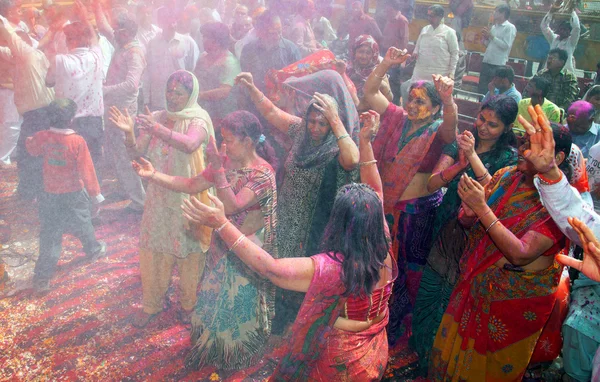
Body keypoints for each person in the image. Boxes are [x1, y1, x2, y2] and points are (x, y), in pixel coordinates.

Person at [180, 109, 395, 380]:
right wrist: (365, 141)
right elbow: (376, 189)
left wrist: (222, 223)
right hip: (376, 347)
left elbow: (271, 269)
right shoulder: (382, 243)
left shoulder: (332, 268)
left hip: (341, 360)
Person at [131, 110, 277, 369]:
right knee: (217, 297)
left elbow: (232, 206)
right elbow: (189, 184)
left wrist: (218, 169)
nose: (223, 146)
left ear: (248, 142)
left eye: (229, 140)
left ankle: (237, 356)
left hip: (248, 247)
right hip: (222, 242)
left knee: (238, 301)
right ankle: (216, 347)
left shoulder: (262, 173)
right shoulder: (225, 161)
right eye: (222, 139)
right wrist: (154, 175)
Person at [429, 118, 572, 380]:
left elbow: (519, 253)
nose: (522, 151)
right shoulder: (508, 176)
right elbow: (473, 218)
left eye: (532, 148)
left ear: (558, 157)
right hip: (474, 286)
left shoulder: (559, 206)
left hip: (512, 304)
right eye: (523, 143)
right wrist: (470, 213)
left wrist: (482, 209)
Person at [235, 69, 360, 333]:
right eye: (312, 121)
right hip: (285, 216)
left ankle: (292, 325)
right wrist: (252, 87)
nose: (315, 128)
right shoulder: (301, 131)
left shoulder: (336, 147)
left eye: (322, 123)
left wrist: (336, 122)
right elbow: (271, 113)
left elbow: (353, 160)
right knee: (276, 264)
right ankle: (274, 318)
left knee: (297, 275)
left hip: (311, 226)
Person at [412, 95, 518, 370]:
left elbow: (494, 192)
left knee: (451, 299)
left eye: (493, 125)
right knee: (429, 291)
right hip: (446, 228)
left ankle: (438, 360)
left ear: (506, 129)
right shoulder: (460, 142)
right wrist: (460, 163)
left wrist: (472, 156)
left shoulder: (508, 159)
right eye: (481, 118)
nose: (483, 127)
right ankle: (420, 351)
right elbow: (432, 184)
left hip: (477, 238)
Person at [364, 47, 458, 343]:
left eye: (422, 102)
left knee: (406, 268)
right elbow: (369, 93)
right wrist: (386, 65)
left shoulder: (436, 132)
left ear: (433, 109)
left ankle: (398, 324)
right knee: (379, 265)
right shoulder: (396, 119)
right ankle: (376, 316)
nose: (413, 105)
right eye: (411, 99)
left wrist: (449, 99)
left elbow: (452, 127)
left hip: (415, 216)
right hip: (384, 210)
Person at [108, 70, 214, 328]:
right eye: (169, 91)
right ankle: (152, 303)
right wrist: (129, 133)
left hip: (188, 195)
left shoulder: (197, 119)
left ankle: (188, 304)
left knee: (188, 251)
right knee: (154, 248)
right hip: (158, 194)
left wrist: (157, 129)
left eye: (179, 93)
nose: (172, 97)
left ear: (191, 95)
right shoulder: (156, 117)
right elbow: (136, 153)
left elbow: (189, 144)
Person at [26, 98, 106, 295]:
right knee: (83, 222)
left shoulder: (43, 136)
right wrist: (96, 196)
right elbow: (87, 171)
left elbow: (32, 148)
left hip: (48, 193)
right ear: (71, 120)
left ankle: (42, 278)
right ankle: (93, 249)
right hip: (74, 194)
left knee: (50, 234)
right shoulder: (77, 141)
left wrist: (30, 140)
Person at [45, 2, 105, 179]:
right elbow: (93, 38)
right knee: (92, 165)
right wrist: (86, 18)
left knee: (70, 169)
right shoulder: (96, 56)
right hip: (94, 122)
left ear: (71, 40)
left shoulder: (60, 60)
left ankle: (74, 202)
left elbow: (48, 82)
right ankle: (94, 201)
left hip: (68, 124)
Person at [0, 17, 54, 199]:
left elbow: (9, 35)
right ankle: (31, 190)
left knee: (31, 154)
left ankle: (33, 192)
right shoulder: (22, 57)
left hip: (39, 114)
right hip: (38, 114)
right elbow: (4, 50)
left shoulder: (28, 55)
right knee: (28, 153)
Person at [101, 12, 147, 212]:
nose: (113, 33)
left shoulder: (134, 52)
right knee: (116, 154)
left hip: (124, 111)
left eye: (116, 30)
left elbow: (131, 84)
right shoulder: (122, 46)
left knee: (125, 156)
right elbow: (103, 27)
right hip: (113, 107)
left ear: (126, 32)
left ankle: (139, 201)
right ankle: (124, 190)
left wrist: (105, 90)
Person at [400, 5, 458, 105]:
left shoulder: (449, 32)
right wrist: (414, 54)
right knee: (413, 94)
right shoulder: (425, 30)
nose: (430, 18)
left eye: (432, 16)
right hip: (421, 71)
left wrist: (451, 74)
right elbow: (417, 47)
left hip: (439, 73)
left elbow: (455, 53)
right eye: (428, 15)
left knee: (434, 100)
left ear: (440, 16)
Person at [144, 6, 199, 111]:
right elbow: (148, 72)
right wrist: (146, 99)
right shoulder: (152, 43)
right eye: (167, 20)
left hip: (180, 100)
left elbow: (192, 72)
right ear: (160, 22)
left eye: (173, 20)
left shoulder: (188, 43)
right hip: (158, 100)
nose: (171, 24)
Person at [239, 9, 301, 93]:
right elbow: (244, 80)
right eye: (272, 33)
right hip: (255, 99)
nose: (278, 36)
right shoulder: (248, 50)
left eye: (280, 32)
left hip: (283, 101)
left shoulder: (291, 49)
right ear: (260, 31)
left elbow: (300, 70)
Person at [194, 22, 241, 128]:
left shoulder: (229, 62)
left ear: (217, 41)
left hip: (221, 119)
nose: (203, 40)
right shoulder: (203, 58)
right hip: (201, 114)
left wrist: (199, 95)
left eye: (206, 37)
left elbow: (224, 91)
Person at [346, 35, 392, 112]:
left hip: (371, 113)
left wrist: (381, 84)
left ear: (374, 54)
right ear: (354, 52)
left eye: (368, 53)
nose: (364, 56)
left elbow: (389, 99)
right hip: (350, 111)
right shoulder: (347, 69)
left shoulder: (378, 71)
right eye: (361, 52)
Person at [478, 4, 517, 95]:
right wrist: (484, 39)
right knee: (482, 88)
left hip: (497, 64)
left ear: (503, 13)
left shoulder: (509, 27)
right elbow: (489, 44)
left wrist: (491, 36)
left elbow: (506, 46)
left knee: (493, 88)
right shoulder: (494, 27)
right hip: (487, 61)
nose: (493, 13)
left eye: (496, 11)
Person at [540, 0, 580, 74]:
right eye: (562, 28)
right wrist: (551, 12)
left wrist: (572, 12)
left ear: (569, 32)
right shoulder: (554, 39)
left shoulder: (571, 42)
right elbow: (544, 26)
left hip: (564, 74)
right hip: (549, 72)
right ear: (558, 29)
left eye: (566, 29)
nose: (563, 31)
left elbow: (576, 28)